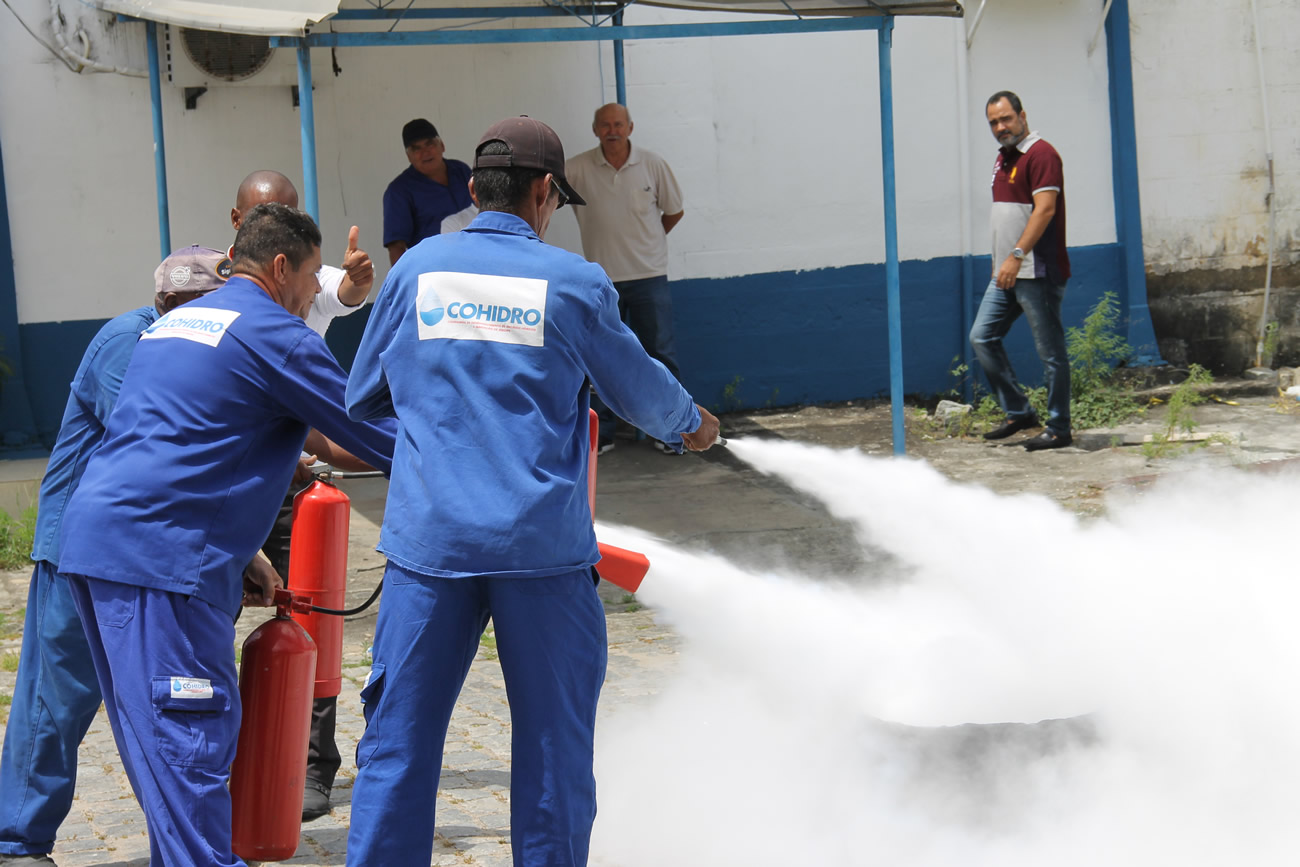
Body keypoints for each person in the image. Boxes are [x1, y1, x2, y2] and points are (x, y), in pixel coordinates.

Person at [344, 116, 720, 867]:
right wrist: (694, 424)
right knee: (552, 746)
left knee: (399, 743)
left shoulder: (417, 268)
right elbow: (641, 393)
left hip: (431, 547)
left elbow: (363, 397)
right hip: (540, 550)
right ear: (545, 193)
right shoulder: (574, 282)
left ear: (474, 189)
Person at [56, 203, 397, 867]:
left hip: (100, 548)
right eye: (309, 282)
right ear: (279, 269)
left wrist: (243, 553)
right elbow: (372, 431)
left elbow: (181, 441)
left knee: (160, 755)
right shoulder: (278, 334)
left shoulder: (174, 324)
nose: (311, 299)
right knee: (192, 744)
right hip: (162, 563)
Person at [0, 247, 232, 866]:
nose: (197, 319)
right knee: (58, 696)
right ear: (164, 304)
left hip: (138, 552)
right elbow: (161, 437)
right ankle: (18, 840)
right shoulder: (126, 342)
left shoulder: (191, 346)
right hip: (77, 546)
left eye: (208, 308)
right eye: (188, 308)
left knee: (161, 699)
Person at [230, 169, 378, 820]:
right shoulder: (234, 297)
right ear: (241, 224)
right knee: (207, 635)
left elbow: (335, 298)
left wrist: (352, 285)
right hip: (231, 488)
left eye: (294, 211)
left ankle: (313, 765)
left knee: (308, 616)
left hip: (290, 476)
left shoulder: (294, 291)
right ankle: (242, 759)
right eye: (272, 214)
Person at [565, 102, 685, 455]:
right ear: (595, 130)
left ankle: (672, 431)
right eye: (605, 125)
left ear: (630, 127)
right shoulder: (577, 168)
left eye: (618, 124)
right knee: (599, 358)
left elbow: (674, 211)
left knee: (660, 353)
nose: (612, 130)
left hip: (649, 276)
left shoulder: (652, 164)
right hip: (600, 280)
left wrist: (646, 244)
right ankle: (601, 435)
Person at [970, 90, 1073, 451]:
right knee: (982, 337)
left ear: (1022, 115)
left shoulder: (1041, 154)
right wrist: (1004, 262)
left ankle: (1060, 427)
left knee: (1051, 355)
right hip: (1006, 273)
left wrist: (1015, 255)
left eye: (1006, 119)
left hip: (1036, 271)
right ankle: (1019, 410)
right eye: (994, 123)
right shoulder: (1004, 158)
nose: (1001, 127)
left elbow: (1044, 210)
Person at [231, 169, 374, 337]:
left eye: (285, 216)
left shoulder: (309, 279)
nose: (273, 226)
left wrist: (358, 278)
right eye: (259, 215)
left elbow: (343, 292)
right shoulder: (209, 275)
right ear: (236, 219)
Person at [382, 118, 475, 266]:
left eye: (429, 144)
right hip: (436, 269)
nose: (425, 152)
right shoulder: (399, 191)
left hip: (476, 257)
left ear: (442, 145)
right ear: (408, 156)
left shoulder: (461, 171)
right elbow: (396, 248)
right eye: (416, 148)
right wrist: (407, 284)